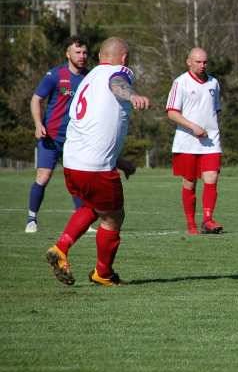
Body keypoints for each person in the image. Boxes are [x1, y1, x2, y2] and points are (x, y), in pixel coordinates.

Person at [43, 37, 150, 286]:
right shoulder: (117, 72)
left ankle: (61, 248)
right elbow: (118, 84)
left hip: (73, 162)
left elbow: (94, 125)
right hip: (95, 167)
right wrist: (133, 95)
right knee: (114, 216)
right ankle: (103, 273)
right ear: (123, 57)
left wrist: (120, 161)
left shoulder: (88, 79)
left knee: (93, 206)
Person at [26, 37, 89, 233]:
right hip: (51, 137)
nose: (82, 56)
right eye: (77, 52)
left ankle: (83, 223)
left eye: (85, 53)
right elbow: (36, 99)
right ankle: (31, 219)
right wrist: (38, 124)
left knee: (78, 178)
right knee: (43, 176)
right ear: (67, 54)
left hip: (76, 138)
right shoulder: (55, 75)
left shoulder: (90, 77)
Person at [166, 47, 223, 235]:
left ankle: (208, 219)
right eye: (198, 62)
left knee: (212, 177)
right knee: (189, 182)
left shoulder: (214, 83)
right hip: (187, 142)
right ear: (188, 62)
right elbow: (172, 112)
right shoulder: (180, 83)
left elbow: (216, 110)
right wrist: (193, 127)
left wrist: (212, 128)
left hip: (211, 141)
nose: (202, 65)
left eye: (205, 62)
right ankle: (191, 223)